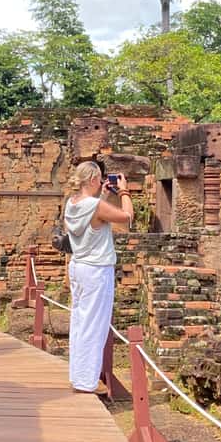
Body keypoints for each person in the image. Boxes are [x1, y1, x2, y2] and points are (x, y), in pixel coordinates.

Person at [64, 162, 134, 394]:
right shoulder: (94, 206)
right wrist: (124, 191)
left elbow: (92, 219)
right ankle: (86, 382)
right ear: (93, 179)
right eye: (100, 178)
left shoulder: (72, 203)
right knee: (95, 325)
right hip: (96, 270)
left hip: (78, 267)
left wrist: (102, 195)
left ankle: (78, 376)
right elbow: (127, 216)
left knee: (79, 322)